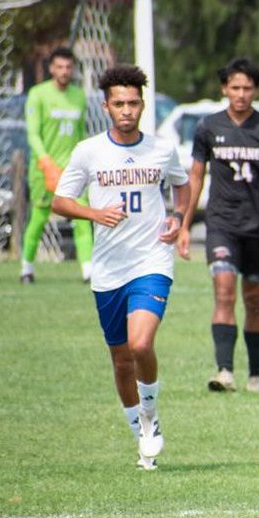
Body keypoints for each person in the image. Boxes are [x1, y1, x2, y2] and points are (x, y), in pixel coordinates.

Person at [51, 65, 192, 470]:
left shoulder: (161, 149)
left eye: (133, 103)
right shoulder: (88, 151)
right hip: (109, 268)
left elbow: (181, 184)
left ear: (142, 105)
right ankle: (138, 435)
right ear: (106, 106)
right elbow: (61, 201)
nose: (127, 110)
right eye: (119, 103)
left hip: (152, 260)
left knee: (141, 344)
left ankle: (150, 417)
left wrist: (178, 217)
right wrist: (95, 212)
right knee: (120, 360)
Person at [177, 57, 259, 394]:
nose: (241, 94)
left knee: (254, 300)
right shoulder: (208, 128)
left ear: (256, 90)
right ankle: (225, 371)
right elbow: (195, 176)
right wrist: (185, 224)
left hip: (258, 228)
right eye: (235, 87)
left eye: (247, 88)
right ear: (224, 89)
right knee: (223, 290)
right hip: (222, 225)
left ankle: (256, 375)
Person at [20, 47, 91, 284]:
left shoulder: (79, 96)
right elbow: (33, 134)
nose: (64, 71)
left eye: (68, 67)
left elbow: (81, 134)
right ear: (51, 68)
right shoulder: (38, 95)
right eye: (59, 67)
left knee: (82, 219)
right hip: (44, 169)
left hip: (72, 170)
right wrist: (46, 162)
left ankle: (88, 271)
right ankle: (26, 269)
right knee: (39, 219)